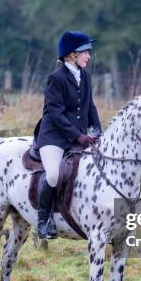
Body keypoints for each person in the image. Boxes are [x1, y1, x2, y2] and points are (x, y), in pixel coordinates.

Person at [32, 31, 102, 240]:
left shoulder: (86, 76)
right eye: (85, 53)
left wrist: (97, 131)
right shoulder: (56, 78)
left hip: (77, 137)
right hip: (53, 137)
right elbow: (56, 113)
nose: (88, 56)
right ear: (72, 55)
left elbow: (90, 107)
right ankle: (43, 221)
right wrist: (79, 136)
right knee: (54, 174)